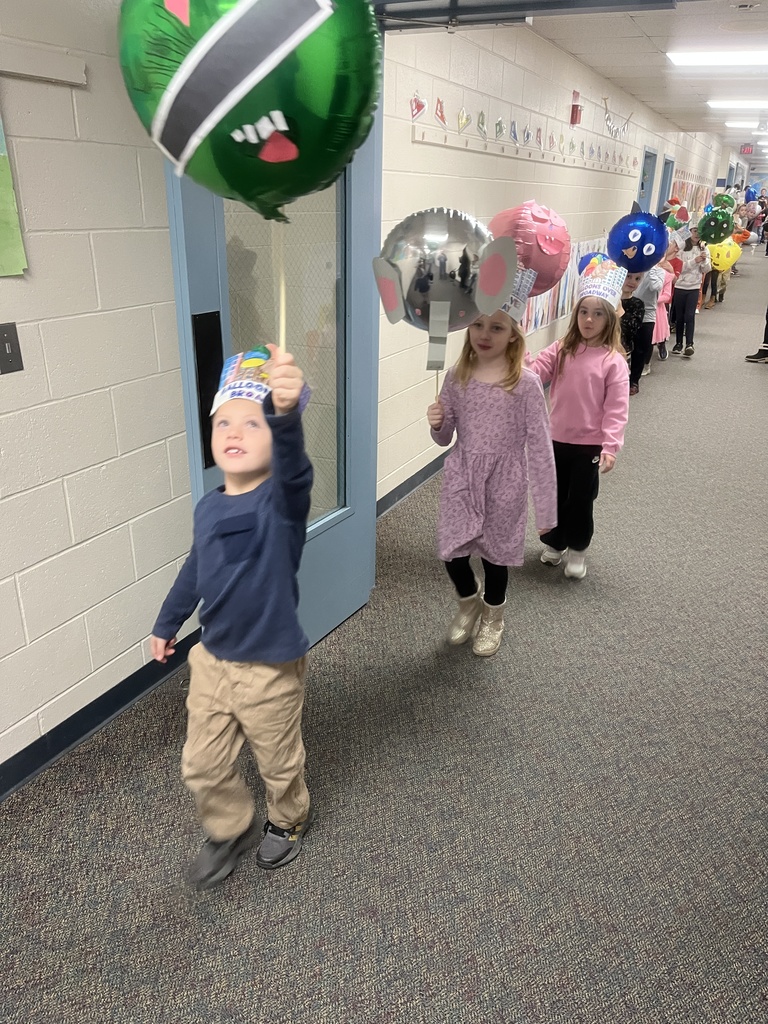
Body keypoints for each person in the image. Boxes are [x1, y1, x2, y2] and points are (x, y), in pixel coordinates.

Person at [150, 345, 314, 889]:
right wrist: (167, 623)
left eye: (252, 422)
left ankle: (288, 819)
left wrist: (285, 418)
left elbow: (295, 474)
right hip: (213, 660)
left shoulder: (280, 505)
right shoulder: (208, 506)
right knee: (201, 762)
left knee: (278, 761)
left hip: (269, 666)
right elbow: (195, 569)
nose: (234, 431)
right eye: (223, 421)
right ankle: (229, 827)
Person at [427, 303, 557, 657]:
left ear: (514, 334)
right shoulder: (456, 376)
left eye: (497, 327)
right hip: (463, 475)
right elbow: (444, 438)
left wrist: (546, 511)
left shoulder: (526, 384)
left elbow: (541, 448)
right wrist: (437, 422)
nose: (484, 334)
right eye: (478, 325)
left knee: (496, 556)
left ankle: (493, 617)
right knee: (452, 550)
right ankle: (469, 600)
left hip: (506, 480)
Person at [528, 260, 630, 580]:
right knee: (554, 496)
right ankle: (555, 543)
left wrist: (611, 446)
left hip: (589, 446)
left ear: (609, 318)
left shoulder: (613, 362)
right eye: (584, 312)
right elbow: (535, 373)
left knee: (581, 500)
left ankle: (578, 549)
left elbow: (617, 408)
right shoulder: (563, 348)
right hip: (555, 438)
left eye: (598, 314)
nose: (588, 319)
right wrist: (519, 355)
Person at [670, 229, 710, 357]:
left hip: (694, 287)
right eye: (694, 231)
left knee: (690, 316)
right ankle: (678, 343)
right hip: (680, 286)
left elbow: (706, 269)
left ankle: (689, 344)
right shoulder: (681, 248)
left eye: (699, 231)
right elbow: (679, 268)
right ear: (690, 232)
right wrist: (694, 261)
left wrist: (704, 260)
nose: (697, 234)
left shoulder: (704, 248)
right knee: (680, 317)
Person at [629, 262, 666, 394]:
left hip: (647, 315)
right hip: (629, 310)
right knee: (624, 347)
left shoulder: (658, 272)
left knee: (640, 350)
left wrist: (649, 268)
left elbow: (656, 287)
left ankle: (634, 381)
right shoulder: (632, 267)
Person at [619, 271, 644, 358]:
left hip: (624, 352)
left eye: (637, 279)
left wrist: (619, 310)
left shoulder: (637, 304)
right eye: (628, 276)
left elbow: (631, 329)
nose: (633, 282)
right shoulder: (607, 300)